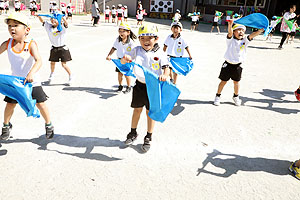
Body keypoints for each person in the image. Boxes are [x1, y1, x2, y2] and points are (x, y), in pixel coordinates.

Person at [0, 12, 54, 140]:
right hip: (16, 83)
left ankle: (49, 124)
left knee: (41, 104)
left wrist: (31, 73)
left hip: (32, 82)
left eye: (16, 25)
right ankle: (6, 126)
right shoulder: (7, 43)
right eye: (10, 26)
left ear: (27, 30)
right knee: (10, 105)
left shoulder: (30, 44)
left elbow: (39, 60)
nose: (12, 28)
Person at [121, 24, 171, 152]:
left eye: (149, 38)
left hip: (153, 88)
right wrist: (125, 59)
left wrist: (165, 75)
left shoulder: (161, 53)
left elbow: (166, 68)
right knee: (137, 110)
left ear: (156, 38)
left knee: (150, 113)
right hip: (139, 86)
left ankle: (148, 136)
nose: (145, 41)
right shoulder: (136, 50)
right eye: (142, 38)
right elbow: (124, 61)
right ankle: (133, 133)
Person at [213, 21, 264, 106]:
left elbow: (252, 35)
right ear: (234, 32)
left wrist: (259, 31)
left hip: (238, 66)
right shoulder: (230, 40)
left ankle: (236, 96)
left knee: (236, 82)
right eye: (238, 30)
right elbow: (229, 32)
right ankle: (217, 96)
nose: (241, 32)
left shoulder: (245, 41)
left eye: (242, 30)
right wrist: (230, 25)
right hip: (227, 65)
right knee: (223, 81)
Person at [37, 15, 74, 86]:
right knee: (52, 63)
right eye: (52, 19)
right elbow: (43, 21)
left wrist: (62, 17)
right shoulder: (49, 27)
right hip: (54, 48)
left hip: (63, 48)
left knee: (64, 64)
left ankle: (71, 76)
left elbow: (66, 24)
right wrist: (39, 16)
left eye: (55, 19)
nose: (53, 20)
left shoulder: (62, 27)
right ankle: (52, 74)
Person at [106, 22, 136, 94]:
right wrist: (109, 55)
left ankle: (128, 86)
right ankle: (120, 85)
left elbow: (134, 52)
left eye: (123, 31)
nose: (121, 33)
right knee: (119, 74)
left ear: (128, 32)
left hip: (127, 61)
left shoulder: (131, 43)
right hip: (119, 60)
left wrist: (131, 59)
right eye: (120, 31)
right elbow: (114, 48)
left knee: (127, 75)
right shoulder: (118, 40)